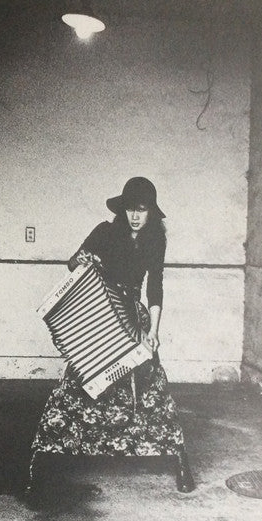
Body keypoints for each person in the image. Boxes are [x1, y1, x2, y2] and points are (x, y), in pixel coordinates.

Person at [26, 177, 195, 498]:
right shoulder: (105, 232)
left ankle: (179, 459)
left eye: (142, 209)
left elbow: (155, 285)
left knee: (152, 387)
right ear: (122, 210)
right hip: (100, 315)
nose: (135, 215)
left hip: (132, 315)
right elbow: (73, 262)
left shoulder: (155, 240)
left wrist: (153, 332)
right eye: (131, 208)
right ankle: (42, 460)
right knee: (78, 383)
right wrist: (81, 260)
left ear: (151, 212)